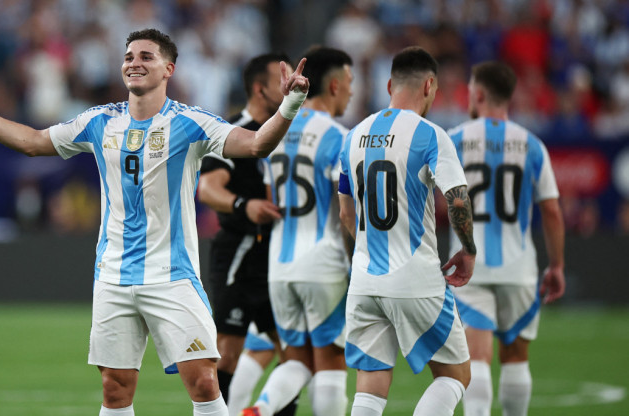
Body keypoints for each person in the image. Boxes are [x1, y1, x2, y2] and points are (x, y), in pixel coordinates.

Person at [0, 28, 310, 416]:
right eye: (129, 56)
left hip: (172, 275)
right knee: (115, 390)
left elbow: (256, 144)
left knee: (203, 382)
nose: (135, 62)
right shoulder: (100, 121)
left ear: (169, 69)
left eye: (147, 56)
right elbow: (31, 142)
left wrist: (292, 100)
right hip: (113, 276)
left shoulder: (191, 122)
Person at [337, 46, 477, 416]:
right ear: (430, 85)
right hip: (415, 277)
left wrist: (368, 252)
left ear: (388, 85)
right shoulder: (430, 134)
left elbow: (345, 214)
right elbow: (458, 199)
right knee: (455, 376)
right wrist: (468, 250)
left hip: (364, 280)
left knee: (369, 387)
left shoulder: (352, 136)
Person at [447, 61, 565, 416]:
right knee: (516, 358)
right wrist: (557, 265)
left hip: (471, 265)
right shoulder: (532, 144)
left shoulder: (454, 139)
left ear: (479, 94)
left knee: (477, 356)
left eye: (469, 89)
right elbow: (553, 212)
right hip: (519, 267)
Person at [242, 46, 354, 416]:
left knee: (298, 360)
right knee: (331, 361)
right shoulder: (339, 137)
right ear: (335, 85)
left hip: (281, 263)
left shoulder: (276, 130)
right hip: (323, 261)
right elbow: (345, 212)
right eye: (350, 82)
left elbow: (274, 198)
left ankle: (258, 410)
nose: (352, 92)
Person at [196, 52, 298, 416]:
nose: (289, 86)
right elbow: (207, 188)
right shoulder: (233, 131)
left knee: (294, 353)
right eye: (280, 80)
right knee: (229, 348)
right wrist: (244, 205)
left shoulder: (289, 134)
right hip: (239, 252)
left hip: (279, 255)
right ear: (259, 88)